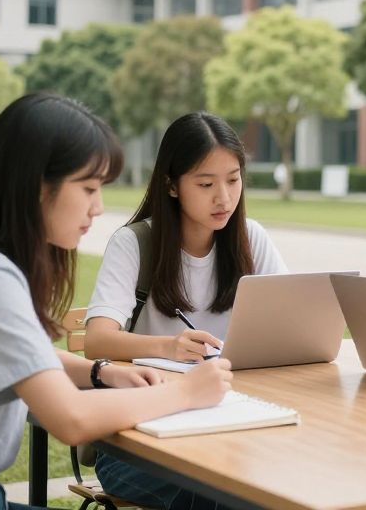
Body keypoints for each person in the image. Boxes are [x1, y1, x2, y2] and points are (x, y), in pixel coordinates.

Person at [0, 93, 233, 510]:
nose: (98, 207)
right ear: (37, 186)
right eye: (88, 188)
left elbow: (31, 356)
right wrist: (187, 393)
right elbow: (71, 419)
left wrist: (100, 372)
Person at [84, 112, 287, 510]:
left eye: (233, 179)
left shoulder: (251, 240)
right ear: (171, 185)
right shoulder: (135, 244)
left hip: (232, 427)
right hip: (141, 441)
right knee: (223, 489)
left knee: (268, 477)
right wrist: (169, 346)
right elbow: (96, 340)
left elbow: (294, 322)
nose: (224, 197)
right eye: (206, 184)